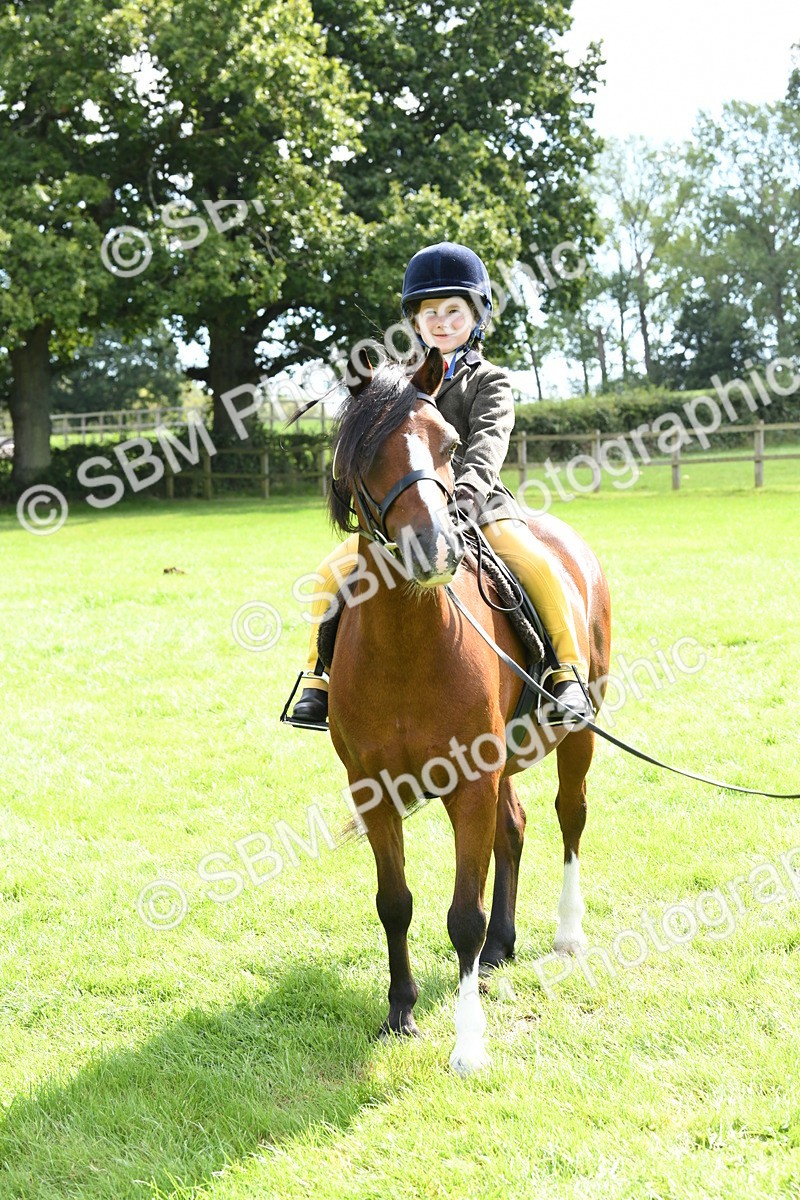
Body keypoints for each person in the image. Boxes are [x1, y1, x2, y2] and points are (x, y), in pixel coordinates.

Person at [289, 241, 593, 728]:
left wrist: (463, 503)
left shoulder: (490, 381)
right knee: (329, 574)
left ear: (476, 316)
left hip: (479, 504)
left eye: (454, 310)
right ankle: (317, 680)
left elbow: (488, 446)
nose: (442, 322)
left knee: (534, 562)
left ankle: (567, 672)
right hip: (406, 510)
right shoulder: (393, 384)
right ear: (414, 321)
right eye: (430, 312)